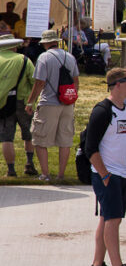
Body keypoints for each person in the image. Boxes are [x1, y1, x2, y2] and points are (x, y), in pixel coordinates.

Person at [85, 68, 126, 266]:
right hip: (107, 174)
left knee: (106, 219)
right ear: (117, 84)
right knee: (113, 219)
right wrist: (105, 175)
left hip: (122, 174)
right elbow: (90, 147)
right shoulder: (102, 110)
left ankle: (98, 265)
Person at [25, 29, 79, 183]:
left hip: (49, 102)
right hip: (67, 103)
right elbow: (76, 81)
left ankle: (45, 174)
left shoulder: (44, 57)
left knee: (40, 139)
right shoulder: (69, 56)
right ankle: (61, 175)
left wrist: (30, 102)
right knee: (65, 140)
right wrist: (71, 98)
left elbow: (39, 83)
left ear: (45, 43)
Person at [0, 38, 36, 177]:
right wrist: (32, 101)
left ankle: (11, 170)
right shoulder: (24, 60)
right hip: (23, 101)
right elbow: (34, 80)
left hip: (4, 103)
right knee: (28, 134)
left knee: (6, 138)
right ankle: (29, 163)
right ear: (15, 46)